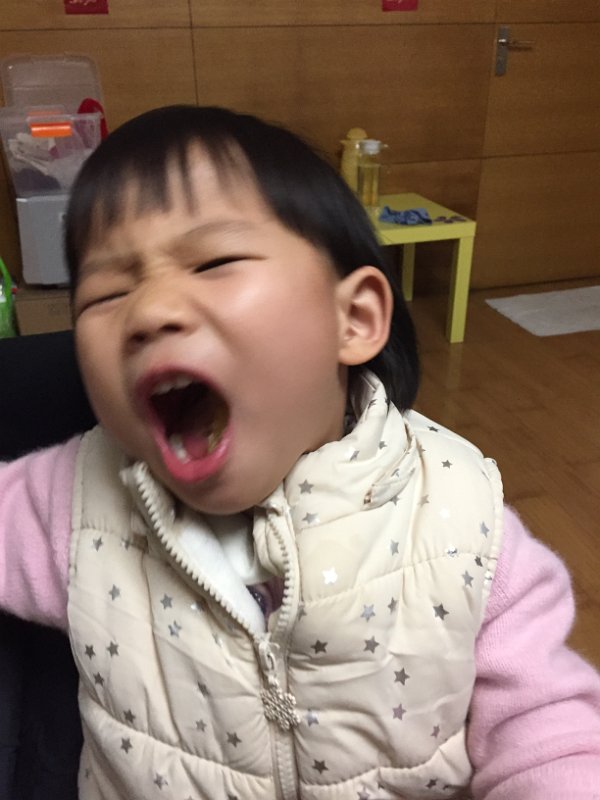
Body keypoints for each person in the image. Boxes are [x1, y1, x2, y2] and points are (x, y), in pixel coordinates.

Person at [1, 105, 599, 800]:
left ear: (354, 319)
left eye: (215, 262)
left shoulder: (460, 516)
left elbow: (549, 731)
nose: (150, 312)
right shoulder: (75, 502)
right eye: (108, 293)